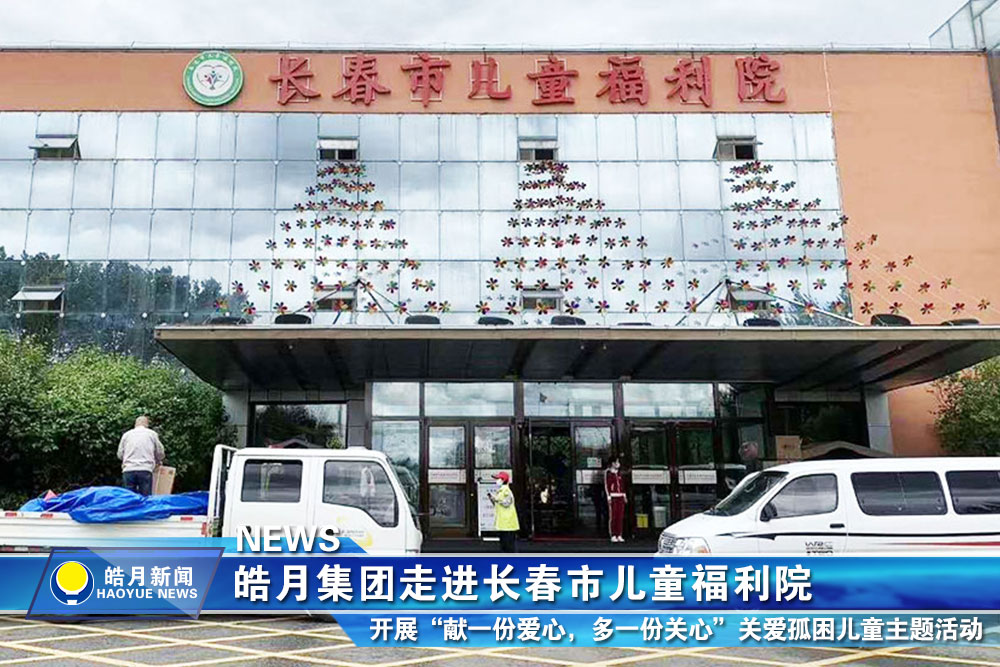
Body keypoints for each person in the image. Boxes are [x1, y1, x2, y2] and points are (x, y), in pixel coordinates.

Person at [117, 416, 165, 496]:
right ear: (147, 424)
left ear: (135, 424)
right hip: (145, 469)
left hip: (128, 469)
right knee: (145, 498)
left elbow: (120, 454)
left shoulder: (126, 435)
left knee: (128, 497)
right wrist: (158, 460)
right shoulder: (152, 434)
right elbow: (160, 452)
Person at [487, 471, 519, 553]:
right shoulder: (501, 491)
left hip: (508, 523)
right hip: (504, 523)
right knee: (505, 545)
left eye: (498, 479)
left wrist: (496, 499)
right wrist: (492, 499)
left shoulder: (506, 491)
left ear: (503, 480)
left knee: (508, 546)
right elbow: (498, 504)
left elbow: (506, 503)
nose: (496, 481)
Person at [605, 454, 627, 543]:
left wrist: (624, 495)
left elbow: (622, 485)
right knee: (613, 516)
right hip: (613, 496)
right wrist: (608, 497)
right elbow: (607, 485)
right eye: (617, 462)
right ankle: (613, 534)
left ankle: (619, 534)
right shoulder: (608, 472)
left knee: (620, 516)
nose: (618, 464)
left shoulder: (619, 473)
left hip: (620, 496)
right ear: (612, 463)